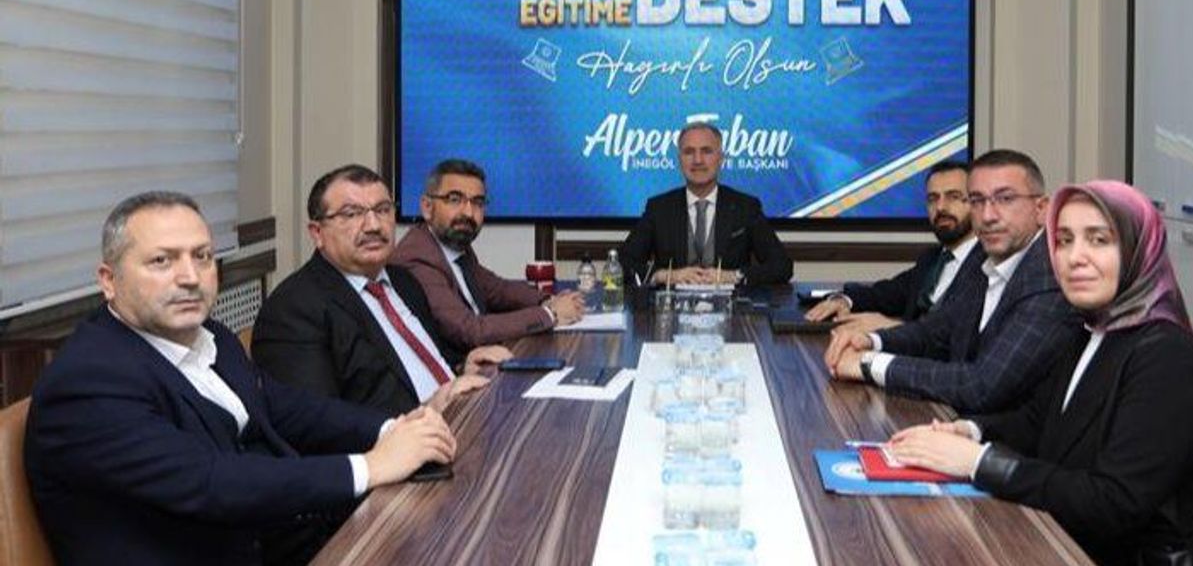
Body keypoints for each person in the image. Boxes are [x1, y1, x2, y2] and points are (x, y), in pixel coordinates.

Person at [24, 192, 457, 566]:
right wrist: (370, 466)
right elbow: (210, 482)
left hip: (278, 539)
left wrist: (393, 428)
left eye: (202, 256)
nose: (189, 277)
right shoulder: (87, 382)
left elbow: (280, 405)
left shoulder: (210, 336)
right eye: (161, 261)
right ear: (109, 281)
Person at [887, 181, 1193, 566]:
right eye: (1064, 240)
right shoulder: (1091, 331)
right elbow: (1039, 423)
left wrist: (978, 462)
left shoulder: (1172, 358)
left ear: (1141, 249)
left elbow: (1113, 503)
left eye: (1099, 240)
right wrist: (970, 431)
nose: (1074, 258)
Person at [826, 149, 1079, 413]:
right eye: (977, 201)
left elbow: (982, 385)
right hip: (960, 423)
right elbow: (935, 332)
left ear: (1041, 209)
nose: (988, 216)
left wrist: (869, 364)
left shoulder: (1050, 277)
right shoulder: (985, 262)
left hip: (1003, 434)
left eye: (1005, 199)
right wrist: (871, 341)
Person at [253, 165, 510, 418]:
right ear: (317, 233)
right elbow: (314, 421)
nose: (373, 225)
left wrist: (463, 367)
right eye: (352, 214)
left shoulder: (403, 281)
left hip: (462, 416)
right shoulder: (293, 309)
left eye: (383, 210)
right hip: (407, 440)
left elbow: (420, 363)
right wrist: (423, 414)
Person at [391, 159, 584, 347]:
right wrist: (551, 314)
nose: (468, 213)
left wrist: (549, 300)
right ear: (427, 207)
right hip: (457, 365)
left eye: (477, 202)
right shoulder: (418, 257)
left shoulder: (455, 246)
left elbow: (498, 289)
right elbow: (469, 330)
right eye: (455, 200)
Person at [805, 160, 984, 332]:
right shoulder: (932, 259)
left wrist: (893, 327)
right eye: (932, 199)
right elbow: (884, 294)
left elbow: (964, 335)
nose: (940, 207)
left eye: (953, 197)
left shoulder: (989, 264)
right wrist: (842, 300)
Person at [618, 122, 793, 286]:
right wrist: (665, 275)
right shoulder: (659, 208)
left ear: (721, 158)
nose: (698, 160)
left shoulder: (746, 207)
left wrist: (733, 276)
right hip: (671, 306)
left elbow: (782, 266)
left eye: (706, 151)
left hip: (732, 306)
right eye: (689, 152)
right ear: (679, 160)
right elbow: (621, 264)